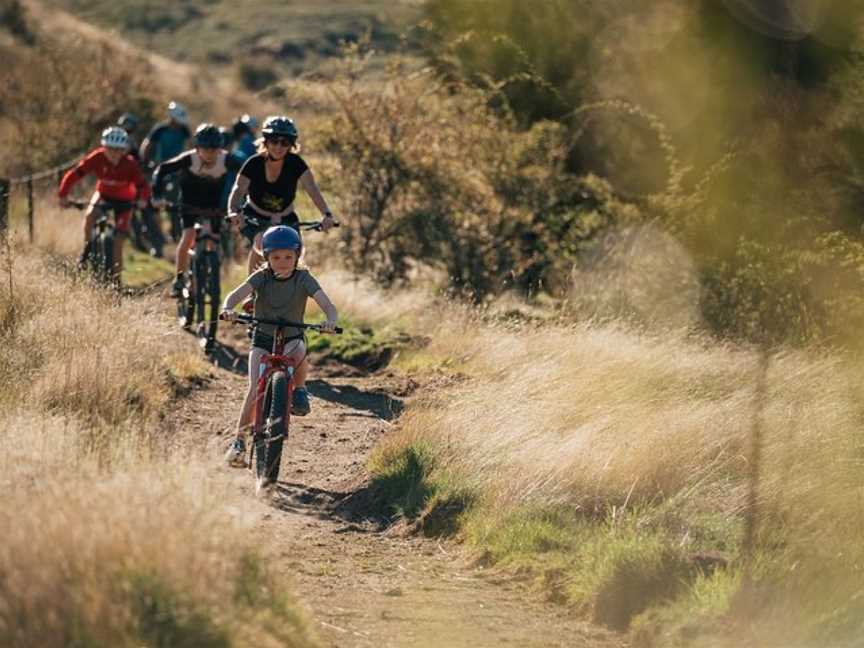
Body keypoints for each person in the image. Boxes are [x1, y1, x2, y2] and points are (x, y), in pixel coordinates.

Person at [219, 225, 338, 469]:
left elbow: (328, 305)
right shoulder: (261, 276)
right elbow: (235, 295)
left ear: (297, 256)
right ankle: (239, 441)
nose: (282, 262)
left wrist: (330, 321)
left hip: (292, 337)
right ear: (266, 258)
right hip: (262, 338)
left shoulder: (304, 278)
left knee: (299, 350)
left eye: (288, 257)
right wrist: (228, 309)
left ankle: (301, 389)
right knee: (254, 387)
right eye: (275, 257)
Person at [227, 115, 337, 275]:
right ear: (266, 142)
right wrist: (233, 211)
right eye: (274, 141)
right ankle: (252, 294)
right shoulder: (253, 163)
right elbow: (238, 190)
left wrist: (327, 214)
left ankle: (289, 296)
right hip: (255, 216)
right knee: (261, 244)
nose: (278, 147)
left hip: (286, 217)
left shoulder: (296, 163)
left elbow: (312, 189)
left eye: (284, 142)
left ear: (291, 145)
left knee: (295, 254)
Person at [151, 123, 241, 298]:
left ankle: (210, 272)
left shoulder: (227, 160)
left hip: (214, 206)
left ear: (220, 149)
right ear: (197, 148)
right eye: (205, 149)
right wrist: (157, 196)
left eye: (214, 149)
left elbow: (249, 174)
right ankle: (178, 279)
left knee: (214, 242)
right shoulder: (188, 159)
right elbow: (161, 170)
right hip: (188, 204)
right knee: (188, 236)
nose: (210, 153)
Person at [58, 126, 151, 280]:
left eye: (118, 150)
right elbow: (75, 174)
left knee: (118, 241)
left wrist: (143, 199)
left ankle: (116, 281)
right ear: (104, 147)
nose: (114, 153)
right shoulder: (97, 157)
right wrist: (63, 195)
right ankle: (87, 250)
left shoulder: (130, 164)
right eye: (110, 149)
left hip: (125, 200)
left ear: (124, 150)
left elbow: (143, 186)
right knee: (89, 216)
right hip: (103, 194)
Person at [140, 101, 192, 256]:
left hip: (178, 171)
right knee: (154, 204)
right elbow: (147, 145)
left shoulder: (184, 131)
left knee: (176, 204)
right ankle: (157, 241)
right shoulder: (160, 129)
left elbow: (191, 147)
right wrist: (145, 162)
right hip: (159, 170)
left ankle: (176, 237)